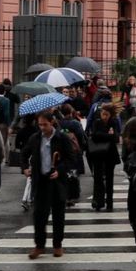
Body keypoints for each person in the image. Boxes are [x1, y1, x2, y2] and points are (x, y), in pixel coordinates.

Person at [23, 111, 74, 259]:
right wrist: (25, 167)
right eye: (40, 124)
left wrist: (60, 170)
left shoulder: (62, 138)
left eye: (45, 124)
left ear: (52, 122)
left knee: (58, 215)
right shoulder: (35, 138)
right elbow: (24, 154)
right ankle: (39, 245)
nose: (42, 127)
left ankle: (57, 245)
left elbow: (71, 158)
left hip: (57, 181)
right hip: (41, 181)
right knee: (39, 215)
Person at [88, 103, 121, 211]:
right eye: (103, 114)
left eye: (107, 114)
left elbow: (116, 138)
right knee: (98, 178)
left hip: (110, 154)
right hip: (98, 153)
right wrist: (108, 135)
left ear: (110, 115)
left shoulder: (114, 122)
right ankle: (98, 201)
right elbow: (95, 136)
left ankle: (109, 203)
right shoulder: (97, 122)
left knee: (109, 179)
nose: (104, 117)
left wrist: (109, 135)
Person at [58, 104, 87, 207]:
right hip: (74, 151)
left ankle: (64, 194)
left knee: (64, 173)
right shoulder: (75, 123)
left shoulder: (59, 123)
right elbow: (82, 137)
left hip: (63, 151)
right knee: (74, 173)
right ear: (70, 112)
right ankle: (73, 195)